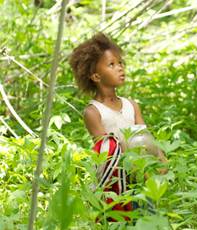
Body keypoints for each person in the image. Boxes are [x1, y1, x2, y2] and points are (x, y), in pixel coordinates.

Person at [69, 32, 167, 221]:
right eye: (112, 64)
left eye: (120, 63)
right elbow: (106, 151)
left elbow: (146, 138)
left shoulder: (131, 105)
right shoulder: (94, 112)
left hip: (143, 175)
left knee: (149, 218)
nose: (120, 68)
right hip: (117, 182)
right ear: (96, 76)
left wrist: (161, 160)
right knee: (122, 222)